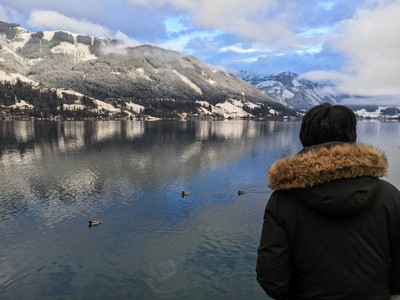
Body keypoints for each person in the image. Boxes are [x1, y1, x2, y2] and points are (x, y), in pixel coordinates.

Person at [256, 103, 400, 300]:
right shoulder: (388, 194)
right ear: (351, 138)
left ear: (304, 138)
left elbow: (272, 278)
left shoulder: (283, 200)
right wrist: (386, 291)